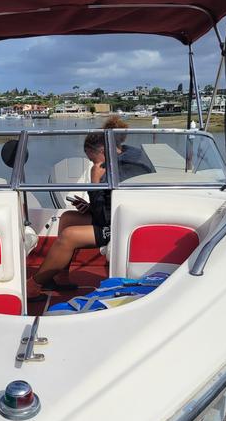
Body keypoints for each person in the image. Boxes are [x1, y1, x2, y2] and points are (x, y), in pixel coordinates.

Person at [26, 117, 153, 300]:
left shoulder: (125, 170)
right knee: (68, 217)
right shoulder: (122, 156)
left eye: (92, 159)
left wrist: (95, 183)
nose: (93, 163)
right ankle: (60, 276)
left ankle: (33, 285)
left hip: (124, 225)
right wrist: (89, 206)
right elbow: (107, 207)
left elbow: (106, 216)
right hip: (115, 217)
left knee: (69, 236)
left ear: (102, 150)